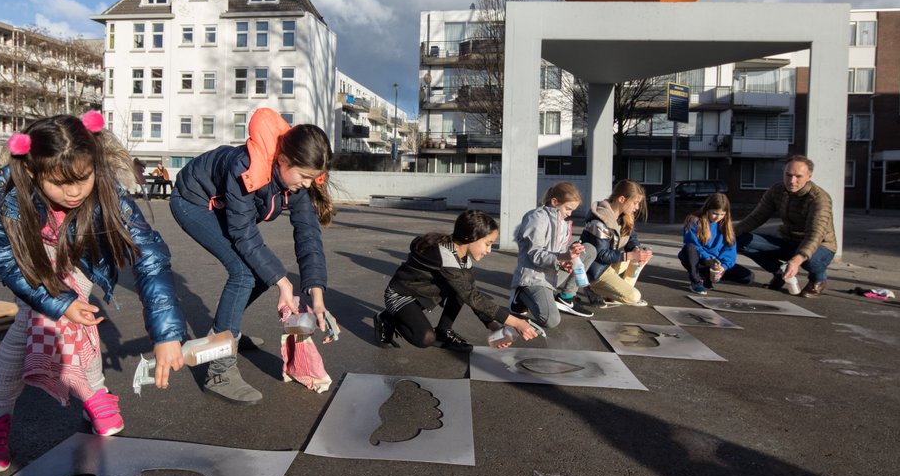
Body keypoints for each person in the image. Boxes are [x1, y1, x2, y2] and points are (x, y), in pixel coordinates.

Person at [0, 112, 185, 474]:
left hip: (79, 249)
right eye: (59, 182)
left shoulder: (104, 190)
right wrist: (58, 302)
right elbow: (2, 257)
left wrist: (166, 334)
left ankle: (93, 391)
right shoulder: (7, 191)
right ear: (34, 172)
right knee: (30, 321)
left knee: (80, 314)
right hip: (30, 256)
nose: (74, 191)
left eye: (83, 178)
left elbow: (149, 258)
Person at [170, 108, 334, 404]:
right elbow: (244, 235)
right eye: (305, 176)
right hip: (193, 202)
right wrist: (284, 284)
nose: (308, 184)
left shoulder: (293, 181)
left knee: (262, 271)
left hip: (222, 208)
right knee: (245, 272)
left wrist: (317, 292)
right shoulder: (245, 167)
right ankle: (219, 369)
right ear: (283, 160)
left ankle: (227, 328)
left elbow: (308, 235)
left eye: (314, 178)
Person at [374, 210, 538, 352]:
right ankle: (387, 318)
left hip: (425, 294)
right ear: (470, 237)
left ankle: (443, 332)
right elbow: (472, 297)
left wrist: (494, 327)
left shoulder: (462, 258)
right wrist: (516, 322)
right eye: (487, 244)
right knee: (425, 339)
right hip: (401, 295)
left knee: (463, 287)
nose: (489, 250)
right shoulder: (444, 255)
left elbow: (472, 293)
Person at [734, 154, 837, 297]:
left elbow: (815, 234)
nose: (792, 181)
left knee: (809, 260)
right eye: (788, 175)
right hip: (789, 241)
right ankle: (780, 273)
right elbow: (756, 217)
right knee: (738, 240)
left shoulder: (820, 199)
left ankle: (818, 280)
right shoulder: (777, 190)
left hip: (821, 246)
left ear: (809, 176)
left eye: (798, 176)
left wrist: (796, 260)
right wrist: (728, 233)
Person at [509, 182, 594, 328]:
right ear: (555, 202)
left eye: (572, 210)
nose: (570, 213)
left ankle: (565, 298)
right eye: (568, 208)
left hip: (551, 274)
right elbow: (535, 255)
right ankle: (521, 293)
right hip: (533, 276)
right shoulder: (536, 217)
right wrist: (563, 257)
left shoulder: (564, 224)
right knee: (551, 320)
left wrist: (567, 259)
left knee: (589, 249)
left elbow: (559, 253)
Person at [579, 180, 654, 307]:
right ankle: (592, 287)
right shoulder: (600, 221)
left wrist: (636, 249)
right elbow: (601, 255)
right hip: (595, 270)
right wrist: (630, 256)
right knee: (635, 297)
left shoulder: (624, 216)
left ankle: (614, 294)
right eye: (635, 203)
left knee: (643, 253)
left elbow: (632, 238)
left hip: (608, 264)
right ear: (622, 199)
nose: (637, 208)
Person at [678, 193, 753, 294]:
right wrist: (709, 260)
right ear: (707, 209)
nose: (718, 217)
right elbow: (692, 243)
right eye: (715, 213)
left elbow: (730, 250)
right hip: (700, 259)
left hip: (717, 262)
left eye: (722, 214)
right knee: (689, 248)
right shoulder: (694, 220)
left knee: (748, 277)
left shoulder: (727, 226)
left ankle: (707, 276)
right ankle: (696, 281)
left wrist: (723, 267)